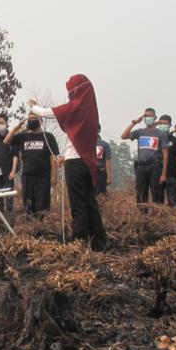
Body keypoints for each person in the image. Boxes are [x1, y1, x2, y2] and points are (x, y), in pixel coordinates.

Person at [28, 74, 107, 251]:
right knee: (90, 203)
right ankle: (98, 242)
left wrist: (33, 106)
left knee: (78, 205)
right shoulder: (91, 110)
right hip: (87, 162)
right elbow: (78, 140)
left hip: (76, 165)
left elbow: (47, 113)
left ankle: (79, 242)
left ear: (77, 90)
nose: (69, 95)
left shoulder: (76, 106)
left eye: (70, 91)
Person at [4, 112, 59, 215]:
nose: (32, 121)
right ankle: (30, 227)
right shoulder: (23, 136)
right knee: (28, 207)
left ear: (40, 120)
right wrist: (17, 127)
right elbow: (6, 141)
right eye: (30, 119)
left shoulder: (48, 137)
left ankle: (41, 228)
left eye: (34, 118)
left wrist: (54, 176)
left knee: (42, 207)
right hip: (27, 177)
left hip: (43, 177)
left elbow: (53, 157)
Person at [120, 108, 169, 206]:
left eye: (150, 116)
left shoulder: (161, 134)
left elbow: (165, 154)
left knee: (156, 192)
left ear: (155, 118)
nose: (148, 118)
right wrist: (134, 122)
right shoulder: (140, 132)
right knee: (141, 192)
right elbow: (123, 136)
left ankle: (157, 215)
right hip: (141, 166)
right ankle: (143, 215)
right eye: (146, 116)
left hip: (155, 166)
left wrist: (163, 174)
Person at [0, 113, 17, 214]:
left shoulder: (11, 136)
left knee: (9, 197)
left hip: (8, 170)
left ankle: (10, 218)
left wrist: (13, 171)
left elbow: (15, 155)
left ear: (6, 123)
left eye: (1, 123)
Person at [158, 115, 176, 207]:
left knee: (173, 201)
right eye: (161, 124)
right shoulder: (156, 139)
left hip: (172, 175)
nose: (163, 125)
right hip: (157, 174)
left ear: (170, 125)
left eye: (165, 124)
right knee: (158, 202)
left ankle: (174, 220)